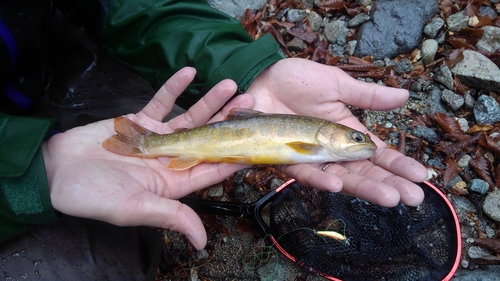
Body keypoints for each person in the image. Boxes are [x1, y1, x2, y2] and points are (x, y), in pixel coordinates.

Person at [0, 0, 428, 279]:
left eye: (353, 138)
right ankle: (142, 146)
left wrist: (247, 66)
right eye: (354, 137)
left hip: (64, 54)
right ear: (328, 136)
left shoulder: (313, 140)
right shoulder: (309, 144)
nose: (358, 140)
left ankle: (144, 144)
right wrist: (34, 172)